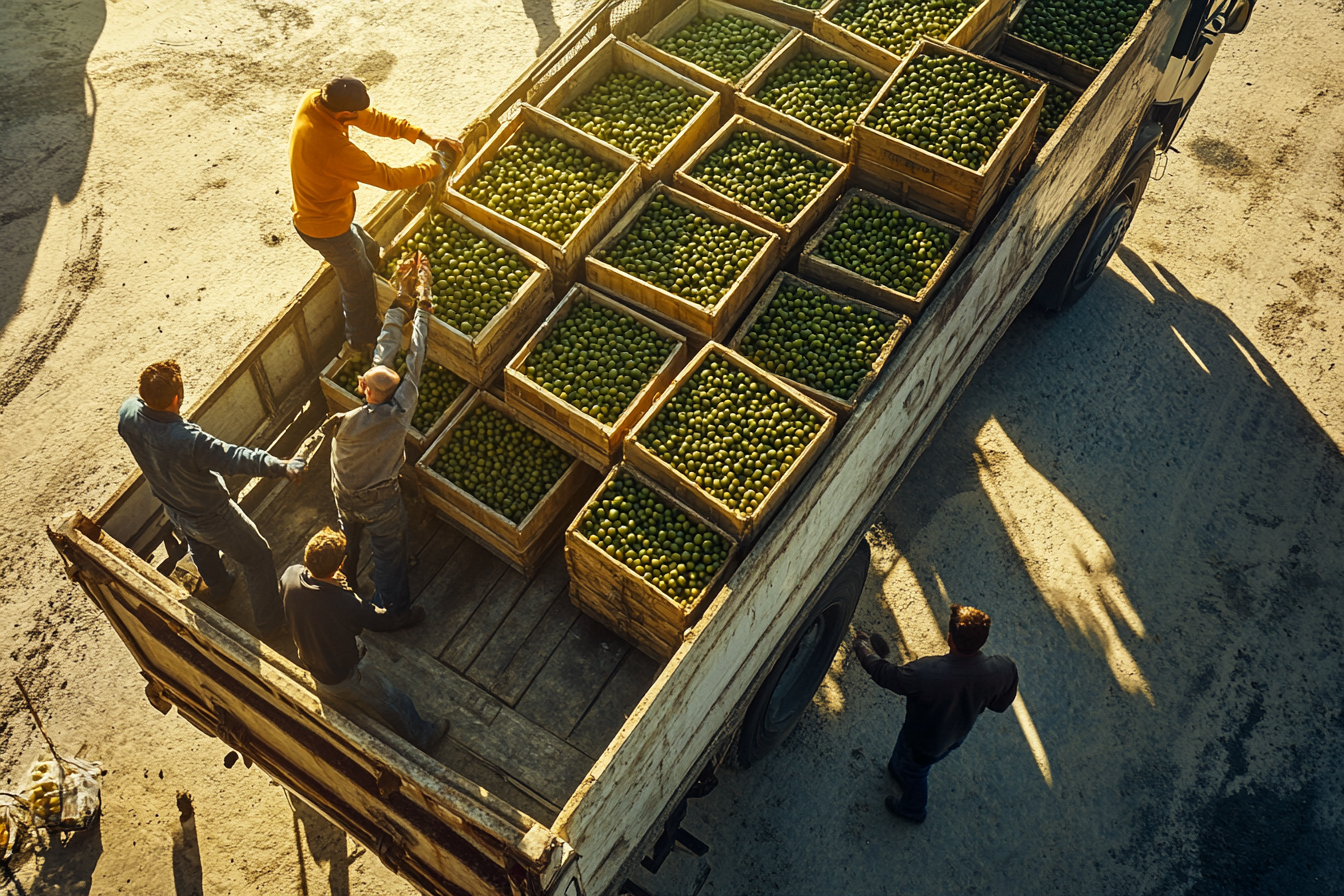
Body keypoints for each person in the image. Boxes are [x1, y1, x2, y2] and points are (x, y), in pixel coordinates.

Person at [117, 360, 305, 639]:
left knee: (199, 546)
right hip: (213, 515)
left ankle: (219, 588)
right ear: (177, 398)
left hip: (174, 507)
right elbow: (234, 458)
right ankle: (269, 623)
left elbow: (134, 400)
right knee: (258, 557)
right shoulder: (186, 440)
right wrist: (280, 466)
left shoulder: (128, 413)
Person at [288, 75, 462, 356]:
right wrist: (433, 164)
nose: (360, 117)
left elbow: (373, 119)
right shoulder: (333, 147)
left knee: (368, 249)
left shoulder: (314, 101)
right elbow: (389, 178)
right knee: (356, 286)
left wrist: (424, 136)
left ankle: (383, 289)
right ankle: (361, 340)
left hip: (331, 212)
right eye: (354, 114)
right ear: (345, 114)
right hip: (326, 227)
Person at [323, 254, 432, 624]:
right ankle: (391, 612)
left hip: (342, 491)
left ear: (364, 388)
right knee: (388, 552)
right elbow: (414, 356)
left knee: (347, 541)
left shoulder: (350, 418)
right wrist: (423, 305)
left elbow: (386, 350)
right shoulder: (401, 410)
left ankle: (343, 583)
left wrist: (401, 298)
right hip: (379, 500)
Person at [282, 528, 446, 751]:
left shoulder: (291, 575)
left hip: (312, 659)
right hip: (343, 675)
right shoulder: (344, 604)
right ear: (340, 565)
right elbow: (381, 622)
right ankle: (423, 737)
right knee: (394, 701)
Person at [854, 604, 1019, 824]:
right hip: (956, 734)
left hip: (923, 741)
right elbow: (999, 705)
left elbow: (885, 674)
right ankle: (898, 771)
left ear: (950, 638)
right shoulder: (1003, 667)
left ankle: (913, 809)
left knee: (916, 772)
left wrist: (863, 648)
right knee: (909, 763)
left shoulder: (927, 672)